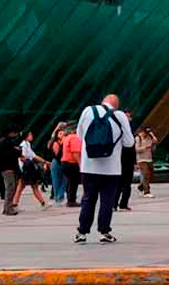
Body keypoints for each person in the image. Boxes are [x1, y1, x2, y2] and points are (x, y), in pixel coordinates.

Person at [73, 94, 135, 244]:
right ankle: (104, 231)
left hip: (88, 166)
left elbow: (79, 136)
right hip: (111, 168)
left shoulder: (88, 110)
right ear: (116, 105)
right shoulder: (119, 115)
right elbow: (129, 142)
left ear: (102, 102)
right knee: (107, 200)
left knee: (88, 198)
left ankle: (82, 232)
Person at [13, 130, 50, 210]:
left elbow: (33, 156)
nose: (32, 136)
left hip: (27, 169)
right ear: (26, 136)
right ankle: (14, 204)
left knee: (27, 186)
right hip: (25, 169)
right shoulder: (23, 145)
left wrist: (44, 161)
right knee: (26, 186)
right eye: (30, 134)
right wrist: (28, 164)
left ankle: (15, 204)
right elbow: (21, 157)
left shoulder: (27, 144)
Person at [0, 126, 23, 216]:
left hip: (12, 167)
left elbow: (18, 153)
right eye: (13, 133)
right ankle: (8, 208)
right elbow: (0, 156)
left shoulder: (10, 142)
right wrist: (14, 151)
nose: (15, 134)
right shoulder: (3, 142)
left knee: (12, 188)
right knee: (10, 188)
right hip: (7, 167)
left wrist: (16, 151)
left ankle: (7, 207)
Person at [62, 125, 82, 208]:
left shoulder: (67, 138)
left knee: (69, 182)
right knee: (74, 182)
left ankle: (70, 199)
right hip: (71, 163)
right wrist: (80, 164)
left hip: (64, 162)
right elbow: (75, 152)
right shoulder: (75, 138)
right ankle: (71, 200)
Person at [135, 127, 159, 198]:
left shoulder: (149, 137)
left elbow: (155, 141)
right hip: (141, 159)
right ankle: (146, 191)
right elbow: (136, 149)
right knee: (146, 173)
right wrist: (145, 147)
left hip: (149, 158)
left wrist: (152, 135)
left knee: (151, 173)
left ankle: (141, 186)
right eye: (146, 133)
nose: (147, 134)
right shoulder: (138, 138)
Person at [49, 123, 67, 204]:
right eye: (60, 133)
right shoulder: (56, 143)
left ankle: (60, 196)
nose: (62, 134)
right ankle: (57, 197)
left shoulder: (65, 141)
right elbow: (58, 155)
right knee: (56, 181)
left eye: (63, 133)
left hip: (64, 162)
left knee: (65, 180)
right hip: (57, 162)